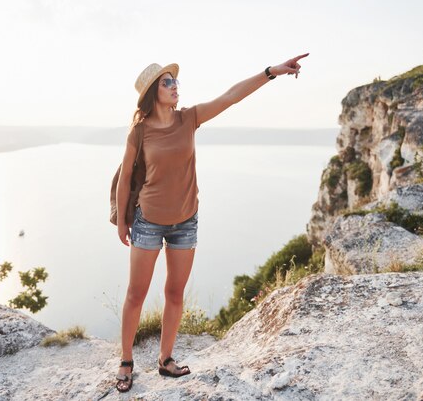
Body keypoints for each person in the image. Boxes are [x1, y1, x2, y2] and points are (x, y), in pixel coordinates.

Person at [114, 54, 309, 392]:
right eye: (167, 82)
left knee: (175, 293)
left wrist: (270, 72)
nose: (176, 86)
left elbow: (230, 97)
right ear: (152, 93)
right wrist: (122, 221)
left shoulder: (189, 118)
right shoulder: (140, 131)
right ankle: (126, 360)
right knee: (136, 294)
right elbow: (125, 176)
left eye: (175, 81)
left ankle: (165, 359)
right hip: (148, 222)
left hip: (186, 221)